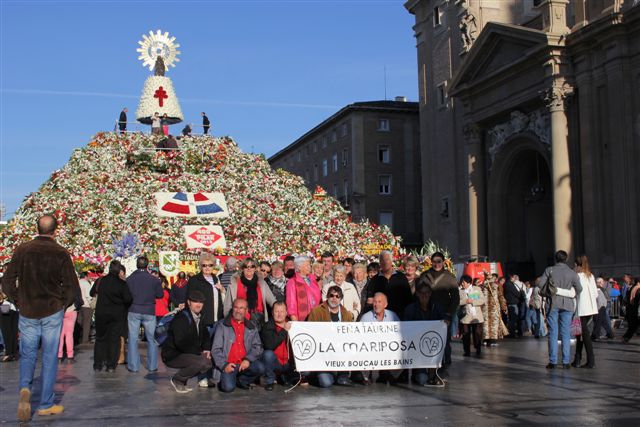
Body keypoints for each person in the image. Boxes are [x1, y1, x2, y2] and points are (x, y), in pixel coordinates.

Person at [3, 215, 80, 421]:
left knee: (28, 354)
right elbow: (72, 287)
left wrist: (19, 300)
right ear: (55, 230)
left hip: (28, 310)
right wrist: (62, 304)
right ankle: (46, 403)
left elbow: (7, 281)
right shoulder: (60, 252)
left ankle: (24, 389)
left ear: (36, 227)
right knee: (49, 356)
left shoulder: (23, 249)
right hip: (52, 310)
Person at [186, 252, 224, 387]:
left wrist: (222, 290)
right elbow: (189, 300)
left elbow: (220, 299)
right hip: (203, 320)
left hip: (216, 320)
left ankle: (212, 376)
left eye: (210, 265)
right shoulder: (195, 280)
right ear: (200, 266)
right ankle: (202, 377)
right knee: (204, 350)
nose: (207, 268)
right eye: (204, 265)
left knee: (215, 349)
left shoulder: (215, 279)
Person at [161, 291, 212, 393]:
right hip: (172, 355)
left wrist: (206, 349)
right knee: (202, 362)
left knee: (208, 362)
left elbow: (205, 334)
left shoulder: (200, 316)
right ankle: (178, 379)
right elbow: (180, 342)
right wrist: (197, 353)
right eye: (195, 301)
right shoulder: (182, 318)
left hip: (186, 353)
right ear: (189, 302)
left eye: (201, 302)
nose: (198, 304)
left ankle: (182, 380)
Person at [212, 298, 265, 392]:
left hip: (244, 364)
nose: (238, 311)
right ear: (232, 308)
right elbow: (216, 350)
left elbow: (258, 347)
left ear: (246, 310)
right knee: (228, 388)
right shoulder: (222, 325)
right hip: (229, 365)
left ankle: (241, 381)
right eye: (236, 307)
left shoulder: (251, 327)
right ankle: (229, 379)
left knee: (260, 368)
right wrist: (224, 365)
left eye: (241, 308)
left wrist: (248, 359)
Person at [540, 250, 582, 369]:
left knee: (553, 332)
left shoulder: (550, 270)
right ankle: (566, 361)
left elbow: (541, 285)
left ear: (556, 258)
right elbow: (579, 288)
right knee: (566, 333)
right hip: (568, 305)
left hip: (553, 303)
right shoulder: (572, 272)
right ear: (566, 259)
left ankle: (553, 361)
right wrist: (569, 293)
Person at [417, 252, 459, 367]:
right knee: (426, 338)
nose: (436, 264)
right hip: (427, 312)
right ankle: (427, 363)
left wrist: (449, 314)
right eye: (434, 262)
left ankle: (445, 364)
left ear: (443, 262)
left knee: (444, 340)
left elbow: (455, 299)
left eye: (439, 261)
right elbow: (418, 293)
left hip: (444, 314)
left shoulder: (449, 277)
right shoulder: (425, 275)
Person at [307, 285, 353, 387]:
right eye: (331, 295)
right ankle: (316, 374)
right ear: (327, 296)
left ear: (341, 299)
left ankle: (341, 375)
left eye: (337, 296)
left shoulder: (346, 314)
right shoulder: (317, 311)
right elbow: (309, 331)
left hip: (340, 354)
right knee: (325, 383)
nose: (334, 298)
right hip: (323, 356)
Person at [92, 260, 132, 372]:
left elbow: (92, 292)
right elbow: (128, 299)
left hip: (101, 313)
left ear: (109, 269)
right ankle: (110, 365)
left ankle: (98, 364)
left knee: (100, 339)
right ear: (119, 270)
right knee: (114, 339)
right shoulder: (122, 284)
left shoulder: (101, 281)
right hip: (116, 314)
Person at [404, 282, 446, 387]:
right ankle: (417, 373)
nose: (424, 295)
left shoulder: (437, 307)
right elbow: (405, 327)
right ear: (417, 294)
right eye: (421, 293)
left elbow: (444, 318)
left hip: (433, 346)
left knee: (434, 377)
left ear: (430, 293)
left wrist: (446, 321)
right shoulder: (410, 309)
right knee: (422, 380)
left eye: (427, 293)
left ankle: (435, 372)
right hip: (417, 348)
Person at [126, 255, 163, 373]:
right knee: (151, 339)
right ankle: (152, 365)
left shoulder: (129, 279)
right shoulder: (154, 279)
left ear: (137, 265)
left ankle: (133, 366)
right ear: (147, 265)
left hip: (134, 309)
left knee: (132, 338)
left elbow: (126, 296)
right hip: (149, 310)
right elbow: (160, 295)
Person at [359, 292, 400, 384]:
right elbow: (359, 337)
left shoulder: (393, 316)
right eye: (374, 302)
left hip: (388, 348)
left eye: (379, 302)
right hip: (370, 348)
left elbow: (400, 333)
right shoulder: (365, 318)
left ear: (385, 304)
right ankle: (366, 376)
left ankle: (391, 374)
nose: (376, 304)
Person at [223, 257, 276, 326]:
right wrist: (228, 322)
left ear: (255, 268)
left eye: (252, 266)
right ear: (242, 269)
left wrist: (279, 311)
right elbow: (227, 306)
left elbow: (272, 301)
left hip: (258, 319)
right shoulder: (234, 284)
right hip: (239, 320)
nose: (249, 269)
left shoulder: (261, 283)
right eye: (246, 266)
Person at [368, 251, 413, 320]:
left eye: (387, 259)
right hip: (381, 317)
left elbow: (408, 298)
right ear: (379, 262)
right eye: (382, 260)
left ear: (391, 261)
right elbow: (370, 299)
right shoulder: (374, 280)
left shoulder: (401, 277)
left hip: (400, 316)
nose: (384, 262)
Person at [260, 301, 294, 390]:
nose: (279, 314)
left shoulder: (293, 325)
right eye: (276, 311)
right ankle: (270, 381)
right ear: (272, 313)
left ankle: (287, 377)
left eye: (282, 311)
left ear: (286, 313)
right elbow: (270, 345)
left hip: (289, 363)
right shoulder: (267, 326)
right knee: (268, 354)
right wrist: (284, 331)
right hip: (276, 363)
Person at [572, 254, 598, 368]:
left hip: (580, 309)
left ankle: (590, 361)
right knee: (579, 334)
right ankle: (577, 359)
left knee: (584, 335)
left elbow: (574, 292)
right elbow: (596, 294)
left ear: (577, 265)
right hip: (590, 308)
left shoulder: (576, 276)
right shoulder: (590, 275)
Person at [285, 256, 321, 321]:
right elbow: (291, 304)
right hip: (301, 320)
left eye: (309, 265)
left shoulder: (313, 280)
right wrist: (295, 323)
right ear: (299, 267)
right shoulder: (292, 282)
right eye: (307, 265)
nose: (309, 267)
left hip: (315, 317)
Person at [458, 275, 486, 357]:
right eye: (461, 282)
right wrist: (465, 301)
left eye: (463, 282)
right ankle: (467, 351)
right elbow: (457, 302)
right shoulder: (460, 291)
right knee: (465, 334)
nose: (462, 284)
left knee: (477, 334)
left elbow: (482, 300)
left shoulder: (476, 289)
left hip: (476, 316)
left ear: (469, 282)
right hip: (465, 316)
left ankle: (478, 349)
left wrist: (472, 301)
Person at [481, 273, 508, 346]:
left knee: (486, 324)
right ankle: (492, 340)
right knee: (493, 324)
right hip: (494, 308)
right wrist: (504, 307)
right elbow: (501, 297)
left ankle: (486, 339)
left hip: (485, 308)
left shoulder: (482, 286)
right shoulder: (496, 286)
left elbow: (477, 296)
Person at [57, 290, 81, 363]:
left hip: (60, 311)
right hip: (71, 311)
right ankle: (70, 356)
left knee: (60, 335)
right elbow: (79, 299)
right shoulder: (73, 286)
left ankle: (59, 356)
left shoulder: (59, 286)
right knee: (69, 334)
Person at [0, 285, 19, 363]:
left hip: (4, 305)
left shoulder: (6, 278)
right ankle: (14, 353)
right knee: (13, 330)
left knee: (6, 330)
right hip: (15, 305)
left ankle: (9, 353)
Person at [622, 277, 640, 344]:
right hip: (636, 310)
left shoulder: (632, 288)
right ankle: (626, 337)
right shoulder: (638, 289)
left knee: (634, 325)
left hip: (632, 309)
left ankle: (626, 337)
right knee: (634, 325)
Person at [77, 272, 94, 344]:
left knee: (79, 322)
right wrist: (92, 304)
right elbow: (88, 295)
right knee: (87, 323)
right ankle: (85, 340)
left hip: (79, 305)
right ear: (86, 276)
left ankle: (77, 338)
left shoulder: (77, 282)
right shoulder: (86, 283)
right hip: (87, 305)